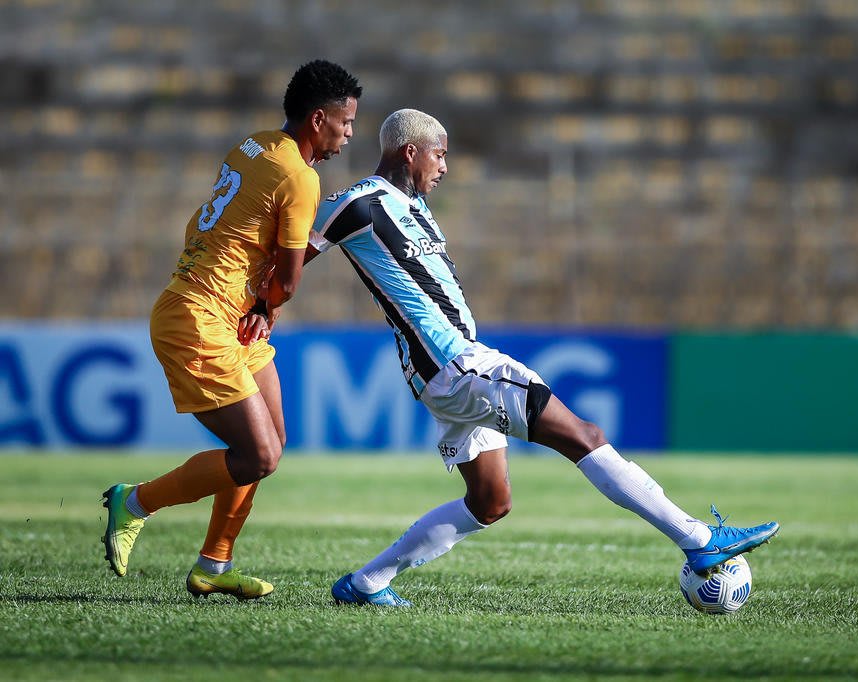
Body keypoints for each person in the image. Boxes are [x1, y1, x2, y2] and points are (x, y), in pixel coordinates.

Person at [304, 109, 779, 607]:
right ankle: (699, 541)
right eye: (440, 155)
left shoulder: (414, 207)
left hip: (449, 370)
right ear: (411, 151)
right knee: (586, 437)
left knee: (490, 502)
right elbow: (298, 251)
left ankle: (364, 584)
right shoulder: (361, 202)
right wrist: (260, 305)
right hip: (456, 365)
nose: (445, 167)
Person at [101, 60, 362, 600]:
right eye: (345, 121)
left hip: (224, 313)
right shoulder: (300, 176)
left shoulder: (254, 145)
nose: (349, 132)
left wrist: (256, 303)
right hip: (201, 318)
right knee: (259, 455)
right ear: (319, 120)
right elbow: (288, 280)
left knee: (272, 444)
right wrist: (268, 306)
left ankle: (212, 567)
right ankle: (134, 502)